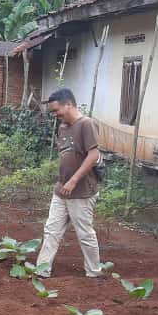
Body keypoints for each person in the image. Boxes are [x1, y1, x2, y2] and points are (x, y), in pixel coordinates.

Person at [34, 88, 105, 278]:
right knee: (51, 230)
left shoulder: (86, 124)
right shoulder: (63, 127)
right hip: (61, 189)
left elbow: (93, 155)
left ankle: (94, 272)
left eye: (57, 110)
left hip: (81, 191)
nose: (55, 115)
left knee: (85, 234)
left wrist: (73, 181)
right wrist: (64, 182)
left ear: (69, 104)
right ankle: (42, 270)